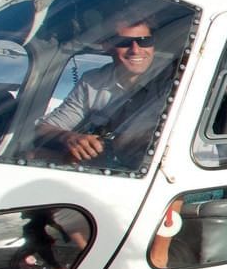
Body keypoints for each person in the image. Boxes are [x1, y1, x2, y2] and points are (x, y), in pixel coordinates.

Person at [36, 16, 162, 166]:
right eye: (124, 43)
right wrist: (69, 137)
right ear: (107, 46)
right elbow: (43, 128)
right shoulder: (93, 82)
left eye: (144, 41)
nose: (135, 50)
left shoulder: (170, 80)